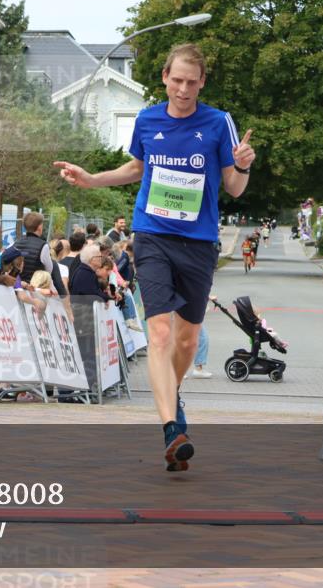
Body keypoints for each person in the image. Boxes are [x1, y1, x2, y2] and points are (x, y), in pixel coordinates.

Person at [55, 42, 254, 472]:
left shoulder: (219, 123)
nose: (183, 89)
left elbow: (234, 188)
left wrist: (243, 165)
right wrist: (91, 180)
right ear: (164, 77)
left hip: (199, 242)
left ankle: (172, 398)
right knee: (160, 335)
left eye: (191, 82)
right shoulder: (147, 120)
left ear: (202, 82)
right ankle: (170, 428)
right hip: (152, 236)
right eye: (176, 80)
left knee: (185, 340)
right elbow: (136, 169)